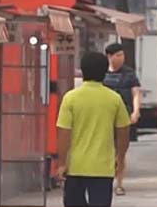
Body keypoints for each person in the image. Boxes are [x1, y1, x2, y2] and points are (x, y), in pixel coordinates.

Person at [57, 52, 131, 207]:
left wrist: (62, 163)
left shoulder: (70, 98)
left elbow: (64, 133)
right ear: (105, 71)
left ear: (83, 71)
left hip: (75, 167)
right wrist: (119, 156)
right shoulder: (114, 99)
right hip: (103, 168)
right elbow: (124, 131)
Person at [102, 43, 141, 196]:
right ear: (109, 57)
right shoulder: (102, 73)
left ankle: (119, 183)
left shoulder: (129, 73)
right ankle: (107, 178)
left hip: (124, 115)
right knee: (106, 150)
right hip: (105, 116)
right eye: (117, 55)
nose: (121, 58)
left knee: (121, 151)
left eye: (122, 55)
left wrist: (136, 111)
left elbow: (136, 93)